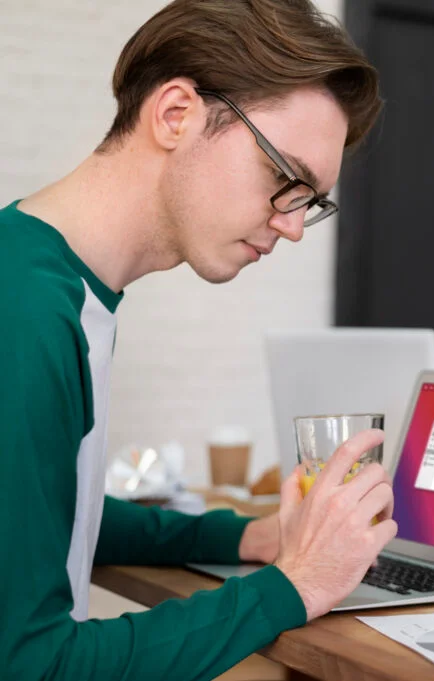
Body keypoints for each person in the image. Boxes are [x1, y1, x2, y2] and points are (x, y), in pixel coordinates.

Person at [0, 1, 397, 678]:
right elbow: (30, 665)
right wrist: (294, 584)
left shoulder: (51, 277)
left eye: (311, 199)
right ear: (176, 114)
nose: (294, 226)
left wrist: (248, 536)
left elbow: (58, 512)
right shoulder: (28, 309)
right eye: (284, 177)